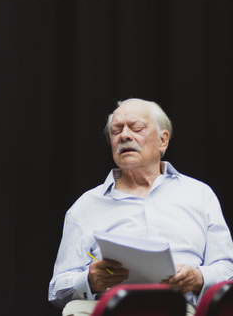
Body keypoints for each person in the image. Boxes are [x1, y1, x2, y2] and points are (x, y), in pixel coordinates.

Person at [48, 98, 233, 316]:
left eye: (136, 128)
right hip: (107, 308)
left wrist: (197, 278)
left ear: (163, 140)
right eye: (116, 131)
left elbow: (227, 269)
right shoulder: (85, 206)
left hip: (177, 309)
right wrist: (89, 279)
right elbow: (57, 289)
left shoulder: (200, 195)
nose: (124, 135)